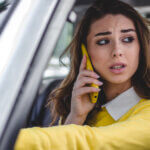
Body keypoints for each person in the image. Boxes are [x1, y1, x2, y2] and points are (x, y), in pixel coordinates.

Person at [15, 0, 150, 149]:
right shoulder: (85, 108)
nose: (117, 51)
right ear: (85, 53)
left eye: (127, 39)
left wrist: (10, 138)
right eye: (103, 41)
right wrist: (76, 116)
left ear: (141, 47)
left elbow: (89, 142)